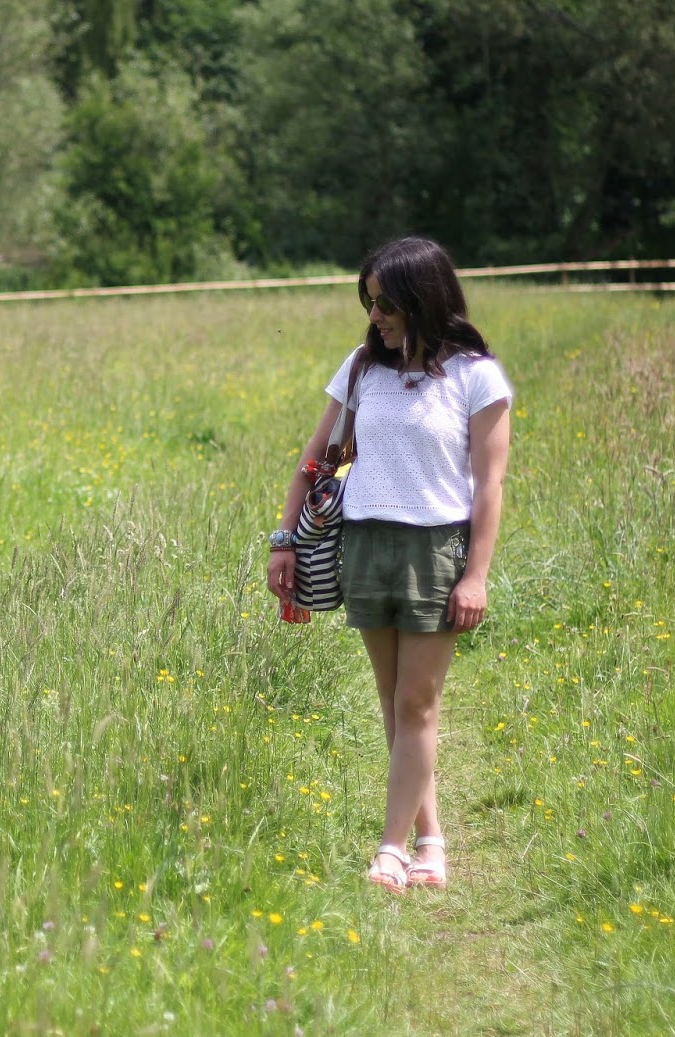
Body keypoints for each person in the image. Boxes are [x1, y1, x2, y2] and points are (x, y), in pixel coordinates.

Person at [267, 236, 512, 893]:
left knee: (417, 703)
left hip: (435, 549)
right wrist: (283, 539)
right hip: (365, 543)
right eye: (369, 302)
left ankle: (392, 850)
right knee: (393, 703)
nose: (374, 315)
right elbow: (314, 458)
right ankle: (430, 839)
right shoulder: (360, 368)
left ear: (421, 297)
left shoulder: (475, 375)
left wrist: (477, 574)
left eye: (385, 302)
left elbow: (490, 486)